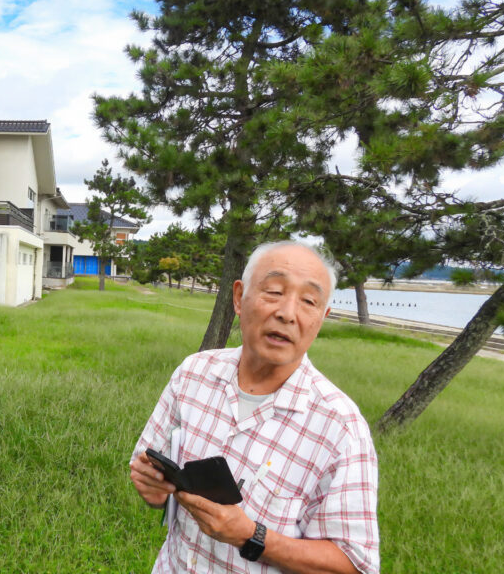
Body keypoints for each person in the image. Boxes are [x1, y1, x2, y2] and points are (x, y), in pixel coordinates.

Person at [129, 241, 379, 573]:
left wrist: (252, 536)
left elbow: (354, 565)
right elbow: (150, 469)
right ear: (238, 298)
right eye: (274, 291)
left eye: (308, 301)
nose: (287, 313)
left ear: (322, 318)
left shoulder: (340, 427)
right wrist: (152, 486)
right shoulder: (193, 374)